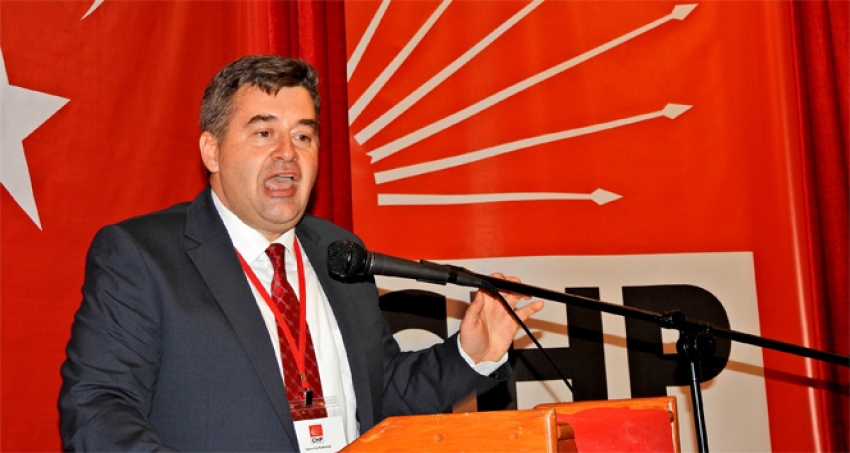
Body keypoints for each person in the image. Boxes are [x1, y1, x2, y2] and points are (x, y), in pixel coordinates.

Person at [59, 55, 543, 452]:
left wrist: (471, 354)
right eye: (264, 133)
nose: (288, 153)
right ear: (212, 151)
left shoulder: (339, 252)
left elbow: (379, 395)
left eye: (303, 135)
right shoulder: (144, 255)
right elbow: (97, 409)